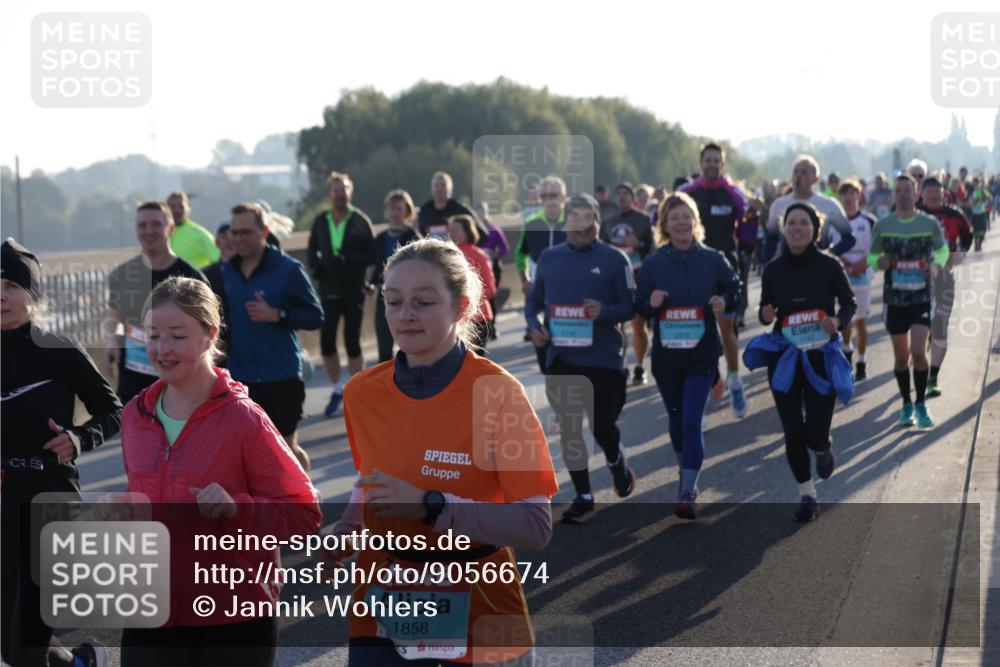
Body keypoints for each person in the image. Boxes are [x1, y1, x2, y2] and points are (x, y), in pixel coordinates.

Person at [329, 238, 558, 666]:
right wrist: (349, 523)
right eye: (393, 301)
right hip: (383, 596)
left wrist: (432, 506)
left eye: (423, 301)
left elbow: (534, 525)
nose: (405, 315)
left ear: (461, 306)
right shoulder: (362, 392)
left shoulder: (498, 392)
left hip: (480, 599)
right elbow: (372, 477)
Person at [119, 276, 321, 667]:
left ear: (210, 335)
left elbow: (303, 512)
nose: (162, 349)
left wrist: (238, 508)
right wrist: (122, 512)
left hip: (233, 613)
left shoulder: (243, 419)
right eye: (154, 335)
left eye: (177, 335)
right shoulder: (135, 415)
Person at [1, 239, 122, 667]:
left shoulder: (61, 350)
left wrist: (78, 439)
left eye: (12, 284)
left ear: (33, 294)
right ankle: (84, 662)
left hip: (50, 499)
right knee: (12, 645)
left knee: (27, 643)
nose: (1, 294)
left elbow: (113, 413)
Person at [525, 194, 638, 523]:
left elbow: (631, 306)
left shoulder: (615, 259)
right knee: (570, 429)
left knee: (604, 427)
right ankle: (584, 495)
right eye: (577, 219)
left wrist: (604, 312)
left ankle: (616, 461)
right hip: (562, 359)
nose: (584, 226)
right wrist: (534, 327)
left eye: (590, 219)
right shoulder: (548, 258)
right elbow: (533, 305)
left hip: (604, 359)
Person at [744, 203, 856, 522]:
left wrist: (838, 319)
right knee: (793, 432)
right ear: (784, 228)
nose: (797, 228)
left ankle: (822, 447)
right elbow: (767, 308)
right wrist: (765, 313)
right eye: (791, 222)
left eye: (803, 223)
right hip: (786, 357)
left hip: (822, 356)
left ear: (814, 229)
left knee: (815, 433)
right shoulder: (774, 269)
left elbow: (849, 302)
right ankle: (807, 494)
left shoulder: (829, 266)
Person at [635, 193, 740, 520]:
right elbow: (637, 306)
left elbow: (733, 288)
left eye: (687, 217)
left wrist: (723, 300)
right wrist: (650, 303)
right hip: (667, 358)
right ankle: (687, 466)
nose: (681, 223)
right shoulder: (653, 263)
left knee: (692, 421)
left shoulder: (712, 258)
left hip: (702, 354)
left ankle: (688, 489)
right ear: (664, 224)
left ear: (696, 223)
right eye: (674, 217)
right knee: (678, 423)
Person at [223, 202, 323, 470]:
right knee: (251, 453)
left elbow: (315, 316)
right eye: (234, 233)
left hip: (282, 376)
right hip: (241, 377)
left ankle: (305, 500)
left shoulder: (288, 269)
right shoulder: (226, 272)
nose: (239, 239)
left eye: (246, 232)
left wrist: (278, 315)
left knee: (285, 449)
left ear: (264, 231)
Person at [867, 174, 949, 428]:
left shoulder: (929, 223)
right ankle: (906, 404)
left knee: (917, 351)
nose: (902, 194)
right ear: (894, 195)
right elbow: (872, 256)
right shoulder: (883, 224)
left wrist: (936, 267)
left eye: (907, 190)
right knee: (902, 357)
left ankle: (921, 404)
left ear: (916, 194)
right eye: (898, 190)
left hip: (921, 297)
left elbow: (943, 250)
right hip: (895, 299)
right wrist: (878, 262)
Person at [105, 201, 207, 405]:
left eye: (156, 224)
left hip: (179, 384)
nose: (149, 231)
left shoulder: (191, 277)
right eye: (142, 226)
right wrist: (111, 342)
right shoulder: (122, 274)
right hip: (133, 383)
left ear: (170, 228)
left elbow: (206, 330)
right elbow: (113, 314)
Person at [680, 143, 752, 416]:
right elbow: (665, 221)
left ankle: (734, 380)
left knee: (727, 330)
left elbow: (746, 233)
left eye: (716, 161)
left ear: (723, 164)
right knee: (697, 334)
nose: (711, 164)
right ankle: (707, 390)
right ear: (700, 163)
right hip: (693, 271)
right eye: (707, 160)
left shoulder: (733, 194)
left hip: (724, 270)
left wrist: (752, 215)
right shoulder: (688, 193)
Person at [306, 172, 376, 417]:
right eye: (335, 190)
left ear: (350, 191)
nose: (339, 194)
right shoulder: (321, 221)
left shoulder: (360, 220)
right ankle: (337, 388)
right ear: (329, 194)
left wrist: (350, 262)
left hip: (353, 289)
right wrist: (315, 268)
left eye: (343, 189)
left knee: (352, 341)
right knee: (326, 344)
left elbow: (373, 255)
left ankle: (356, 390)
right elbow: (311, 250)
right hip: (328, 291)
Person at [918, 176, 973, 397]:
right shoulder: (913, 213)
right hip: (915, 281)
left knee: (940, 327)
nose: (933, 194)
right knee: (919, 329)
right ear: (922, 193)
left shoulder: (954, 214)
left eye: (936, 190)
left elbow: (967, 236)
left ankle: (933, 377)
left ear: (943, 193)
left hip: (943, 278)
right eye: (929, 191)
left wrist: (957, 256)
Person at [601, 182, 654, 386]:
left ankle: (639, 367)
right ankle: (620, 366)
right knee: (617, 325)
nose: (622, 197)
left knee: (638, 324)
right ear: (615, 199)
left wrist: (639, 246)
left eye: (626, 194)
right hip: (614, 279)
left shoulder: (643, 220)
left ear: (632, 198)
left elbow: (654, 250)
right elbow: (600, 248)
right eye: (618, 194)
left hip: (639, 277)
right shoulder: (608, 222)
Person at [514, 176, 568, 373]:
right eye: (544, 195)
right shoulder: (531, 223)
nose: (548, 199)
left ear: (563, 197)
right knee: (538, 333)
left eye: (553, 195)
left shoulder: (574, 222)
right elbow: (520, 253)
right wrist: (524, 279)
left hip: (567, 292)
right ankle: (548, 369)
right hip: (539, 290)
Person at [833, 179, 877, 380]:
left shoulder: (868, 221)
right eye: (845, 194)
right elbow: (829, 249)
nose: (849, 198)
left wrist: (862, 263)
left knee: (860, 321)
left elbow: (877, 249)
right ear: (840, 197)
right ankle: (846, 350)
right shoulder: (833, 222)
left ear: (858, 196)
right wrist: (843, 263)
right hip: (841, 277)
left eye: (852, 193)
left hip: (862, 277)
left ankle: (861, 360)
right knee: (845, 318)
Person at [372, 190, 421, 363]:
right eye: (392, 208)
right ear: (387, 211)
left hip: (409, 297)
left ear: (406, 212)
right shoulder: (379, 238)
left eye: (399, 209)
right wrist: (370, 284)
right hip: (384, 297)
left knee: (411, 346)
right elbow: (375, 267)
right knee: (384, 348)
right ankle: (386, 387)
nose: (395, 213)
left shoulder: (413, 237)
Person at [448, 214, 496, 351]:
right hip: (452, 319)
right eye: (450, 230)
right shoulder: (445, 255)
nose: (451, 234)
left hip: (477, 318)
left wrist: (463, 301)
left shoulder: (479, 255)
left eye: (455, 230)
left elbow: (490, 289)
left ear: (467, 231)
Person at [417, 171, 487, 243]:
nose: (439, 189)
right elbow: (418, 235)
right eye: (436, 185)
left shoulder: (462, 211)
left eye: (443, 185)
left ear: (450, 189)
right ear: (432, 188)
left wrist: (466, 247)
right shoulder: (424, 211)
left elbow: (483, 234)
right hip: (430, 252)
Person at [474, 202, 510, 341]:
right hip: (476, 267)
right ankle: (480, 326)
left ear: (486, 212)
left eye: (481, 210)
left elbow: (504, 248)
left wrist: (496, 254)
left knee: (490, 296)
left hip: (492, 268)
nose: (479, 213)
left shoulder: (494, 230)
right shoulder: (473, 230)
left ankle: (492, 326)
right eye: (476, 210)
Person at [166, 191, 221, 269]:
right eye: (173, 206)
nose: (177, 210)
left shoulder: (200, 233)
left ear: (188, 209)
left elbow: (219, 259)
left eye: (181, 206)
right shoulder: (159, 234)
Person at [969, 176, 990, 252]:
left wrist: (985, 198)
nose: (974, 184)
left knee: (983, 229)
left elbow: (990, 197)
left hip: (981, 212)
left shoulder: (982, 190)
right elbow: (970, 202)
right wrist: (976, 201)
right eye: (973, 183)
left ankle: (979, 243)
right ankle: (976, 244)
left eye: (975, 183)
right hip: (974, 213)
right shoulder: (970, 191)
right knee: (975, 230)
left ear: (978, 183)